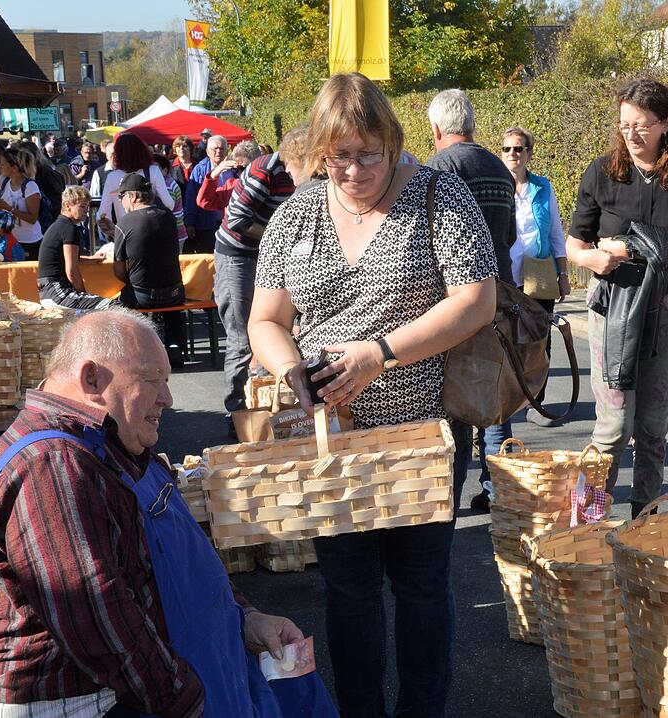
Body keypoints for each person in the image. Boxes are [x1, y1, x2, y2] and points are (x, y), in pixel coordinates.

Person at [249, 72, 496, 717]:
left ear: (392, 142)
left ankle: (422, 711)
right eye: (338, 156)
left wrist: (380, 353)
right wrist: (290, 371)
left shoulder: (439, 196)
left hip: (421, 427)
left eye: (367, 153)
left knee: (420, 586)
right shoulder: (298, 212)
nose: (352, 169)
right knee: (348, 590)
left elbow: (476, 301)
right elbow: (266, 320)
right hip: (338, 436)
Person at [0, 307, 337, 717]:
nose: (168, 398)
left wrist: (244, 619)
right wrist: (186, 700)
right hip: (84, 703)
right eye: (151, 380)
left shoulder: (110, 445)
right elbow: (99, 620)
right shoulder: (52, 464)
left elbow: (184, 566)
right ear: (92, 379)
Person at [566, 78, 668, 518]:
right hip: (613, 306)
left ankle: (644, 520)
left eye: (641, 125)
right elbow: (574, 244)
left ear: (666, 123)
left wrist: (630, 246)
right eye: (624, 124)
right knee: (612, 425)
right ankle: (588, 517)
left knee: (652, 426)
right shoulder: (602, 171)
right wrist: (593, 260)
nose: (630, 134)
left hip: (666, 304)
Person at [425, 88, 516, 513]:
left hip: (454, 299)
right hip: (499, 293)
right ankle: (498, 488)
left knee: (457, 401)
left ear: (437, 128)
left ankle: (450, 496)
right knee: (493, 396)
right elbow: (511, 236)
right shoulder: (499, 167)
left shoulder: (438, 170)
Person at [214, 128, 303, 435]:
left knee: (274, 327)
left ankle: (265, 405)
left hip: (268, 254)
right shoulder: (264, 170)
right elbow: (237, 219)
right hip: (237, 256)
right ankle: (236, 412)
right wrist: (277, 240)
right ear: (293, 157)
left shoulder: (305, 175)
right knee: (241, 336)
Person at [499, 125, 570, 431]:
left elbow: (555, 232)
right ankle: (507, 399)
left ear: (529, 153)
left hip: (538, 276)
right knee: (505, 341)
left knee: (540, 340)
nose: (513, 154)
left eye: (519, 148)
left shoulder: (543, 188)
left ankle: (536, 402)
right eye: (507, 149)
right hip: (504, 275)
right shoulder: (496, 186)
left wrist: (563, 273)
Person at [100, 173, 186, 364]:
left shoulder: (126, 222)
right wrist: (117, 232)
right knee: (170, 305)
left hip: (143, 295)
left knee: (119, 301)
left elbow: (119, 270)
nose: (120, 201)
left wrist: (117, 233)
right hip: (174, 291)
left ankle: (136, 351)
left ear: (132, 196)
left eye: (121, 197)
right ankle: (175, 347)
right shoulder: (168, 217)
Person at [37, 185, 115, 311]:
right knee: (113, 306)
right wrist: (84, 294)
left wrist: (91, 259)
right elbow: (71, 271)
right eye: (82, 206)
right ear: (68, 205)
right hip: (58, 292)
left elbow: (69, 258)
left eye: (87, 207)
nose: (86, 211)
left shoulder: (59, 225)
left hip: (48, 291)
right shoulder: (69, 228)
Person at [96, 133, 174, 231]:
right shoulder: (153, 171)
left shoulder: (112, 177)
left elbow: (103, 213)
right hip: (152, 228)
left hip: (126, 230)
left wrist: (113, 233)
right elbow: (169, 204)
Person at [183, 134, 231, 253]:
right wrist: (190, 223)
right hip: (206, 224)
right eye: (215, 149)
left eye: (222, 148)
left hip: (229, 225)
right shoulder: (199, 170)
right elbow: (191, 197)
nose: (218, 151)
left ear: (227, 150)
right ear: (207, 151)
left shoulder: (234, 169)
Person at [197, 140, 262, 213]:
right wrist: (214, 174)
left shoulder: (269, 186)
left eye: (245, 168)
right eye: (237, 169)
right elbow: (204, 201)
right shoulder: (232, 186)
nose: (242, 174)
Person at [152, 153, 188, 251]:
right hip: (172, 229)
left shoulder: (167, 185)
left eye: (155, 168)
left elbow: (167, 207)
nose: (151, 171)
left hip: (173, 231)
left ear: (165, 171)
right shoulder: (166, 182)